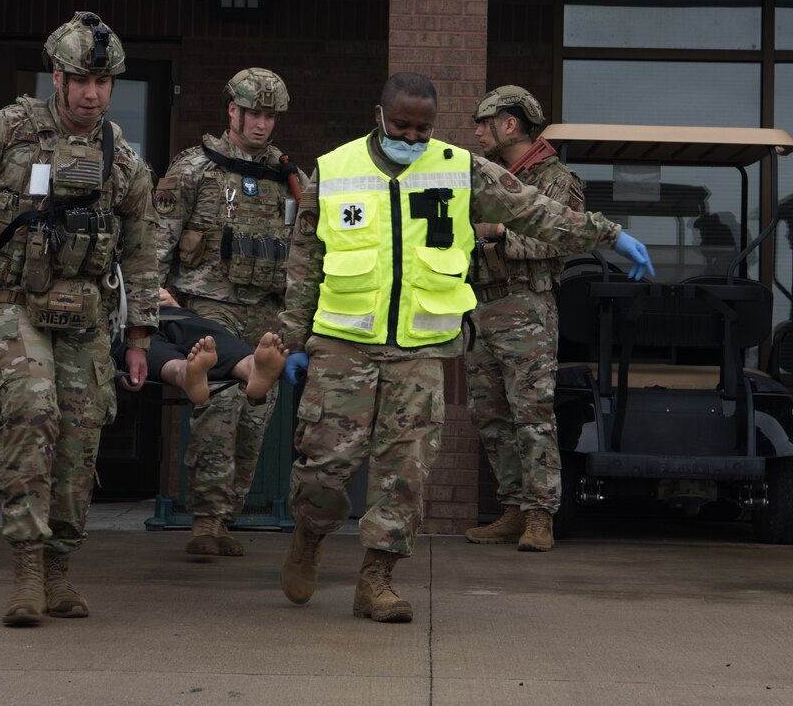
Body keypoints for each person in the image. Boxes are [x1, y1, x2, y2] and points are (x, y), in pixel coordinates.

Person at [279, 72, 653, 623]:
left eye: (423, 128)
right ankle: (310, 535)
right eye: (401, 126)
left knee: (406, 471)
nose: (412, 137)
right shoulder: (333, 170)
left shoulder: (461, 169)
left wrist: (609, 235)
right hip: (344, 345)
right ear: (378, 116)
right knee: (325, 466)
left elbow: (537, 211)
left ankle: (376, 580)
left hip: (420, 349)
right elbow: (304, 262)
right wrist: (293, 340)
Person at [0, 12, 160, 627]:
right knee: (31, 410)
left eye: (103, 82)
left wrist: (140, 336)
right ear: (57, 78)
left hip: (86, 314)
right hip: (11, 305)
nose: (92, 93)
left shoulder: (123, 158)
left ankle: (59, 568)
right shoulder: (5, 130)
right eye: (81, 80)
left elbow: (142, 248)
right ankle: (26, 570)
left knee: (80, 435)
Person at [154, 67, 309, 557]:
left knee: (254, 419)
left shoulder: (290, 178)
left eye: (270, 116)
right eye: (253, 114)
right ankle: (204, 519)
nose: (262, 124)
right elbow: (158, 239)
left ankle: (226, 517)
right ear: (232, 111)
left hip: (266, 314)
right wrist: (154, 296)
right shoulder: (194, 168)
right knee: (218, 411)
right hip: (210, 308)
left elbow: (308, 250)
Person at [463, 85, 586, 552]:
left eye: (484, 123)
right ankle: (513, 507)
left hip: (526, 308)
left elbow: (563, 238)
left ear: (509, 124)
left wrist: (498, 231)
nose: (478, 132)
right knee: (489, 414)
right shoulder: (485, 175)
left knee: (532, 414)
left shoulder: (555, 179)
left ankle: (540, 515)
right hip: (480, 305)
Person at [113, 288, 289, 406]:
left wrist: (161, 295)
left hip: (146, 305)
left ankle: (250, 367)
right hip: (113, 321)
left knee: (195, 326)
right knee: (145, 345)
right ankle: (185, 372)